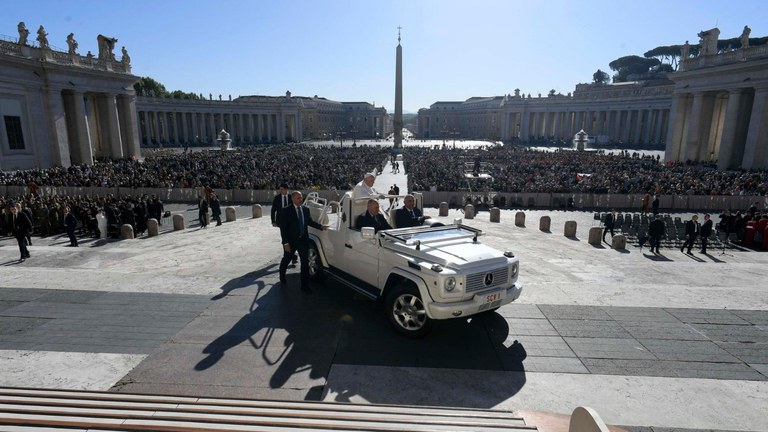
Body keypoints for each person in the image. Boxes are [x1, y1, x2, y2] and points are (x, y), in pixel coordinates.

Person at [279, 191, 327, 293]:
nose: (300, 200)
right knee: (286, 259)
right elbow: (283, 228)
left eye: (301, 198)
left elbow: (309, 222)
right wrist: (285, 243)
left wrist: (321, 227)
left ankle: (304, 286)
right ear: (292, 199)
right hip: (291, 241)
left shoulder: (305, 209)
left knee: (305, 263)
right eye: (297, 198)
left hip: (303, 240)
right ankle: (282, 275)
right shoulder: (286, 211)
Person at [271, 183, 297, 267]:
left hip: (291, 222)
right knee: (285, 238)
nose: (280, 190)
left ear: (286, 189)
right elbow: (273, 210)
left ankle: (292, 255)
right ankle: (288, 256)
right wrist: (273, 221)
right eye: (280, 189)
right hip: (281, 222)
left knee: (292, 238)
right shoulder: (277, 198)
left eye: (282, 189)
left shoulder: (291, 197)